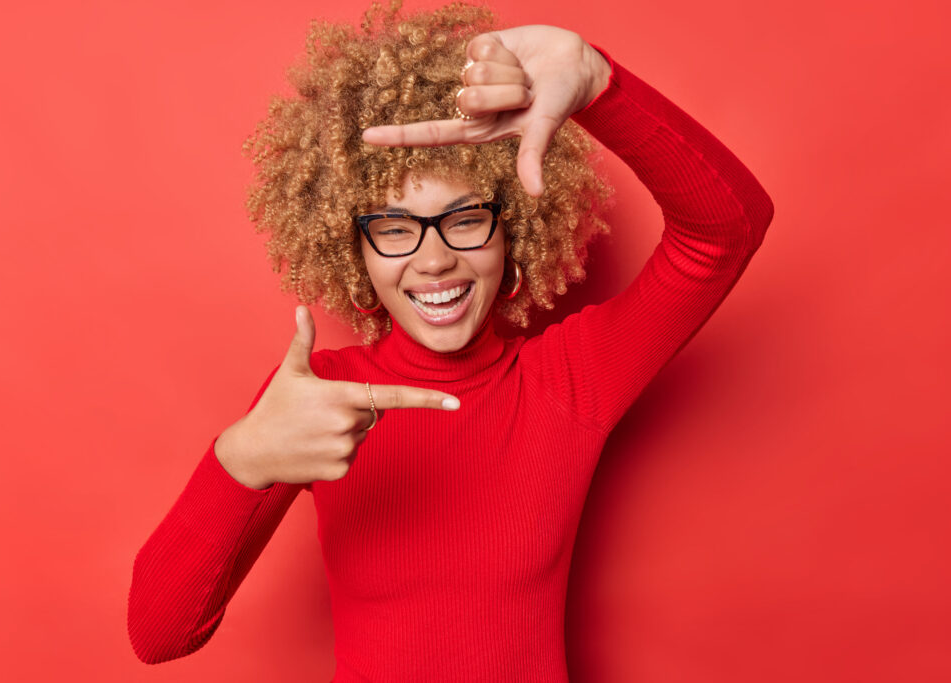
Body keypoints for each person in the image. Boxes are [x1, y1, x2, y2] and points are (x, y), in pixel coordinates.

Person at [127, 1, 774, 680]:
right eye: (395, 228)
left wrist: (595, 80)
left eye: (464, 219)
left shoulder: (573, 378)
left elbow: (727, 228)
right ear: (357, 256)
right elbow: (158, 634)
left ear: (512, 231)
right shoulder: (321, 398)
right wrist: (242, 458)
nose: (433, 260)